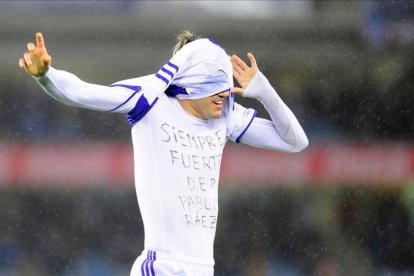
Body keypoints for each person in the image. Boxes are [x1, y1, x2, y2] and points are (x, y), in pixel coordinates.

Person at [19, 31, 308, 276]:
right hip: (162, 268)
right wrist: (46, 75)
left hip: (204, 269)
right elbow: (80, 93)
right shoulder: (150, 100)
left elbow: (295, 142)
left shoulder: (226, 114)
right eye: (213, 82)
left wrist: (264, 91)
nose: (225, 92)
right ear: (191, 79)